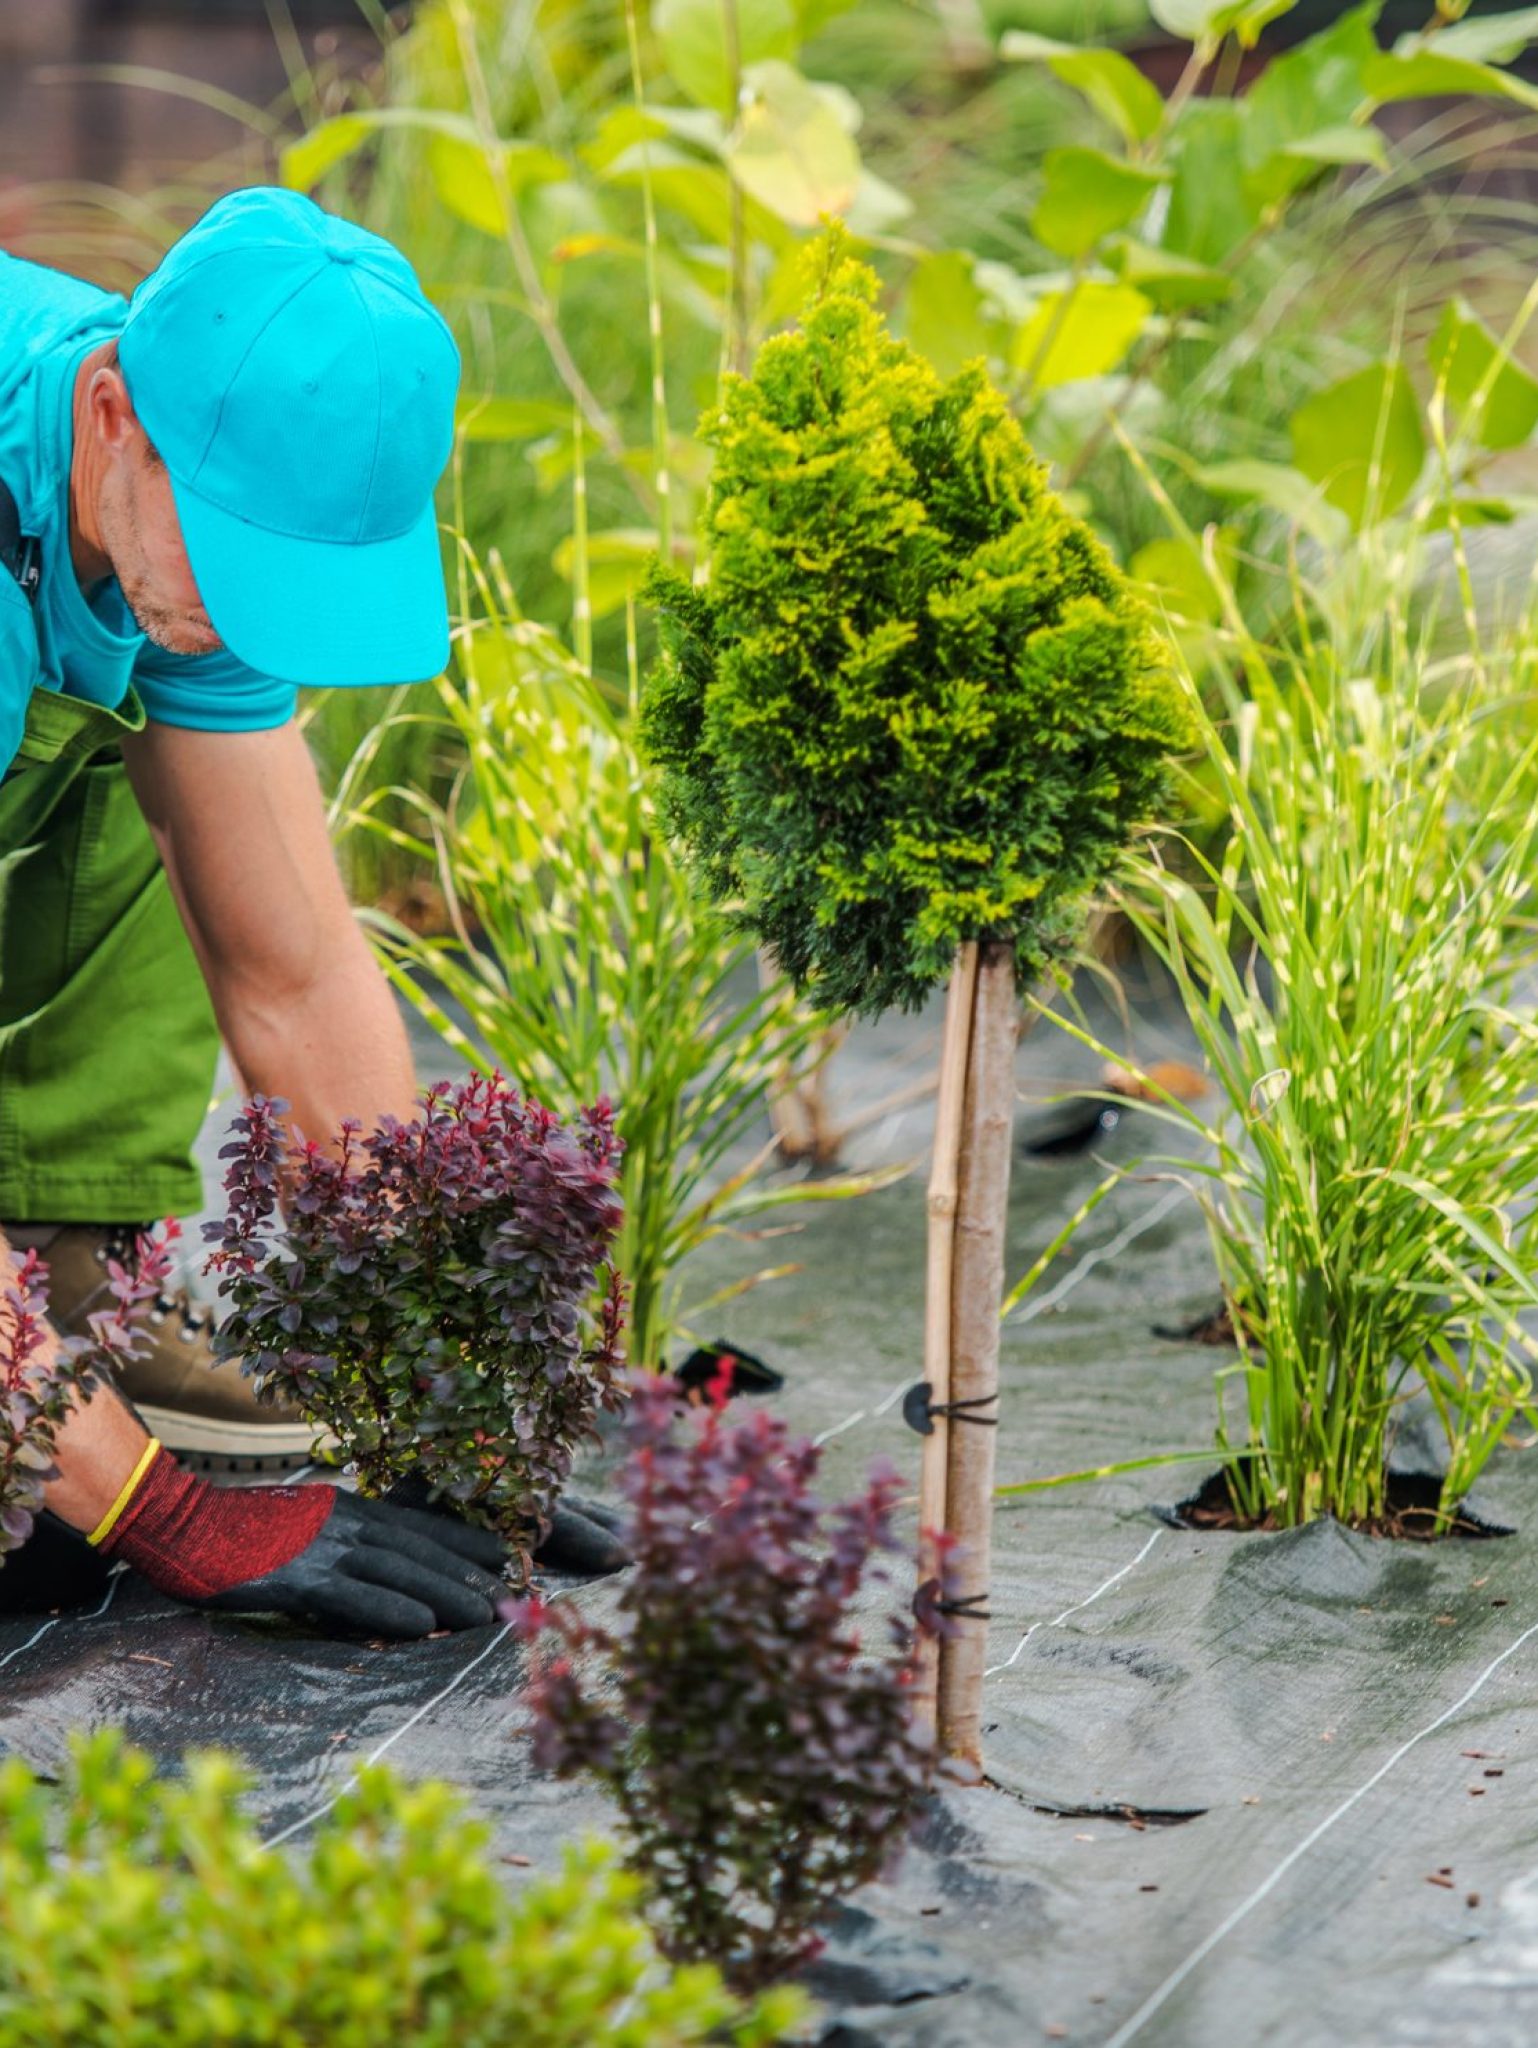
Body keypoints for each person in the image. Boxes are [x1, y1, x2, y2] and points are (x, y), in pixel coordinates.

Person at [0, 186, 623, 1639]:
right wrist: (165, 1510)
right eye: (236, 560)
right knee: (47, 1520)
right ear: (109, 417)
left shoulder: (166, 531)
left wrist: (434, 1397)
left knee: (168, 797)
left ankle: (50, 1259)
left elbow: (292, 974)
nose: (246, 615)